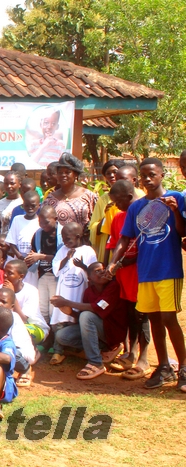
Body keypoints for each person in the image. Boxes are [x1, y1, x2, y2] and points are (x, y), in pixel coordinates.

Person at [108, 158, 186, 391]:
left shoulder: (177, 198)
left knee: (169, 319)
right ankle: (163, 367)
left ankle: (183, 368)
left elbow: (183, 232)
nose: (148, 179)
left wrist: (175, 211)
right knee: (153, 320)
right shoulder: (136, 207)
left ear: (162, 175)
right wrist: (114, 262)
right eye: (144, 176)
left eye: (152, 174)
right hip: (146, 271)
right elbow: (125, 238)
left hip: (168, 269)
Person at [104, 180, 150, 379]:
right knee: (130, 314)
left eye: (118, 202)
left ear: (129, 198)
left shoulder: (147, 215)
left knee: (143, 315)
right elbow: (116, 245)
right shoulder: (119, 218)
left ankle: (144, 358)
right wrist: (111, 266)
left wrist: (121, 264)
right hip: (124, 278)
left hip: (141, 275)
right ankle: (131, 352)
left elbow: (145, 250)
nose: (116, 206)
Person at [51, 262, 127, 380]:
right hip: (98, 331)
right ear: (89, 277)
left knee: (87, 315)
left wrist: (67, 302)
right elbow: (82, 319)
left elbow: (98, 307)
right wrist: (70, 312)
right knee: (61, 336)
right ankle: (103, 350)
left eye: (104, 269)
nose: (102, 272)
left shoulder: (113, 287)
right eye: (97, 270)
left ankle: (96, 363)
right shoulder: (88, 292)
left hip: (112, 331)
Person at [0, 287, 38, 387]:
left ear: (12, 307)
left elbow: (16, 346)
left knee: (9, 352)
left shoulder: (15, 318)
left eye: (3, 302)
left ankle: (25, 369)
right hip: (1, 352)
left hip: (19, 354)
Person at [42, 153, 98, 233]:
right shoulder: (49, 199)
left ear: (75, 174)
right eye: (60, 172)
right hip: (58, 243)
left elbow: (97, 221)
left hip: (83, 242)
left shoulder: (89, 196)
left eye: (67, 172)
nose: (63, 175)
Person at [26, 205, 62, 322]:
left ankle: (55, 333)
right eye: (40, 222)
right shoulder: (38, 234)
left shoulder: (63, 234)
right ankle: (46, 334)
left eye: (46, 222)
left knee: (54, 308)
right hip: (42, 274)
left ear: (55, 218)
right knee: (43, 308)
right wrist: (30, 258)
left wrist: (40, 256)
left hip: (56, 276)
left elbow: (62, 258)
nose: (43, 225)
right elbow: (33, 253)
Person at [88, 159, 122, 263]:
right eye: (108, 173)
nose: (112, 175)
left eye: (115, 172)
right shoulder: (103, 199)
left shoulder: (138, 195)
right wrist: (106, 217)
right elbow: (93, 227)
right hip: (108, 248)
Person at [6, 191, 41, 262]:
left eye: (33, 206)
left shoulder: (41, 222)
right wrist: (20, 256)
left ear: (39, 206)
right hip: (19, 259)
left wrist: (34, 257)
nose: (30, 208)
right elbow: (11, 241)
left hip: (35, 260)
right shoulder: (17, 219)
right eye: (27, 205)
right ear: (23, 205)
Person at [0, 171, 22, 241]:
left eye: (12, 183)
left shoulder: (24, 202)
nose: (9, 186)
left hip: (19, 242)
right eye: (6, 183)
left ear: (19, 184)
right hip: (4, 243)